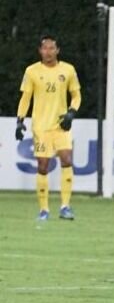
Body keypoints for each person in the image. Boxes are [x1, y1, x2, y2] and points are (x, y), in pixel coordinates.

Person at [15, 35, 81, 220]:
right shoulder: (32, 71)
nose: (48, 52)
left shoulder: (68, 70)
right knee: (43, 166)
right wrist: (20, 121)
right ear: (40, 50)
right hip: (41, 127)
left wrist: (71, 113)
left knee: (67, 159)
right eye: (45, 48)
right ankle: (44, 209)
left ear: (57, 50)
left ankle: (65, 207)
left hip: (61, 125)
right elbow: (25, 98)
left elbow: (76, 95)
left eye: (52, 48)